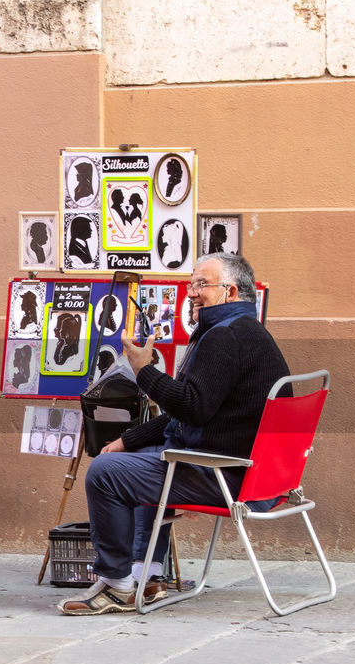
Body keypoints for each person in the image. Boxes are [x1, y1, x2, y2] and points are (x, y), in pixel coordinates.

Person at [58, 253, 289, 615]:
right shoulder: (247, 331)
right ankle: (147, 576)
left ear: (229, 292)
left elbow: (191, 407)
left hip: (226, 475)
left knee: (105, 475)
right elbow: (193, 414)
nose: (191, 292)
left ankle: (117, 584)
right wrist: (127, 440)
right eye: (191, 284)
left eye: (201, 284)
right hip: (251, 472)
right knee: (140, 453)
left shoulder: (225, 338)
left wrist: (143, 370)